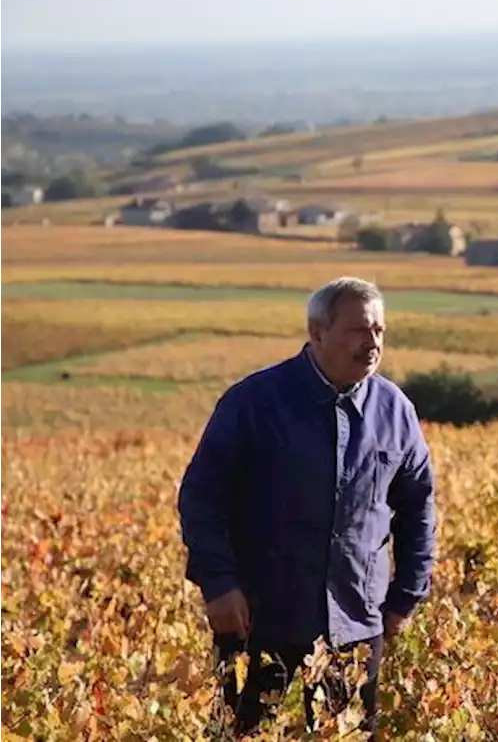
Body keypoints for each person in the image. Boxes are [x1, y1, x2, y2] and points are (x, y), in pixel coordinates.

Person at [177, 276, 437, 738]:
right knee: (241, 734)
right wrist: (218, 584)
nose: (372, 342)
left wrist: (407, 595)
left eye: (379, 330)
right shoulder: (254, 402)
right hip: (259, 618)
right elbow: (202, 497)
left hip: (356, 621)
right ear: (318, 333)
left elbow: (418, 507)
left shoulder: (395, 410)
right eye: (358, 330)